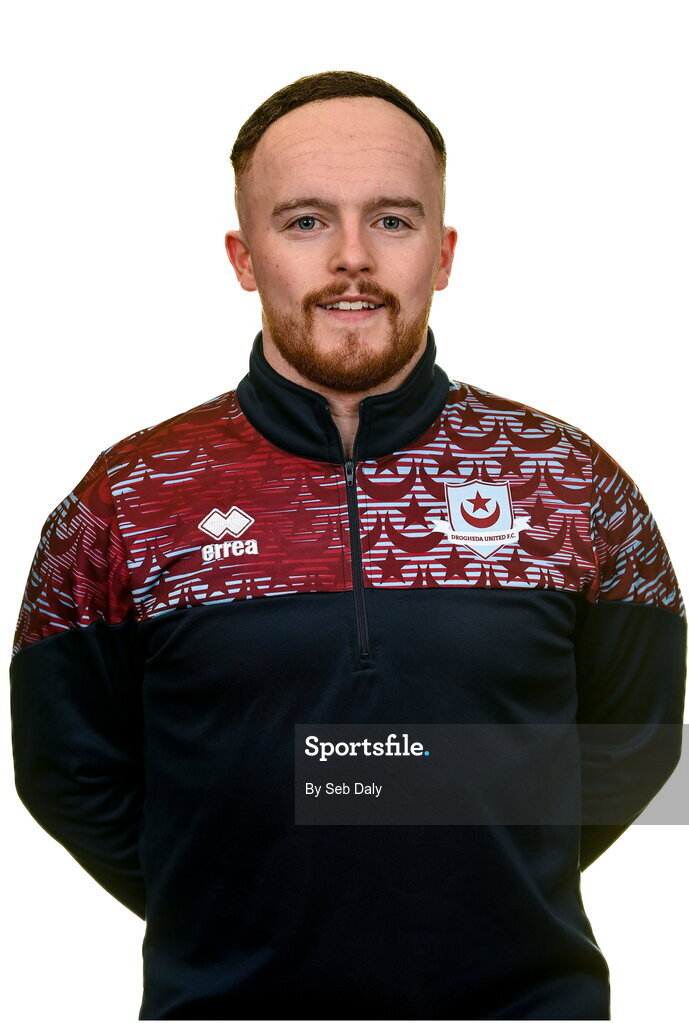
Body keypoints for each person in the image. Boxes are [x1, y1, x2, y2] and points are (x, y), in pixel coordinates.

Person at [9, 70, 686, 1022]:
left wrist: (494, 871)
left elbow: (636, 740)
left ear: (442, 254)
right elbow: (66, 768)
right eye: (305, 221)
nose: (353, 259)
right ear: (244, 257)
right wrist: (221, 895)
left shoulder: (568, 480)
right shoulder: (127, 498)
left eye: (392, 220)